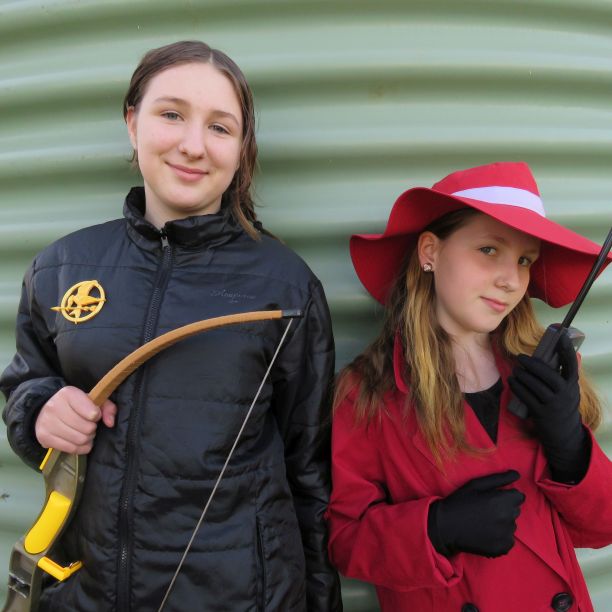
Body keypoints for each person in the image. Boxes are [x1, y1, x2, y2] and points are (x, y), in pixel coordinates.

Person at [1, 40, 342, 611]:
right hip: (87, 593)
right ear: (133, 123)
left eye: (220, 127)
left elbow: (311, 473)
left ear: (240, 150)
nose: (192, 145)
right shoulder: (61, 268)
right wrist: (41, 412)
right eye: (171, 114)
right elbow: (23, 387)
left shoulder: (285, 285)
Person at [326, 161, 612, 611]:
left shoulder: (542, 371)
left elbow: (602, 527)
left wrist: (571, 447)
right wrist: (436, 527)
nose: (511, 279)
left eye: (524, 260)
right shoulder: (367, 393)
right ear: (430, 252)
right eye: (488, 250)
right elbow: (344, 540)